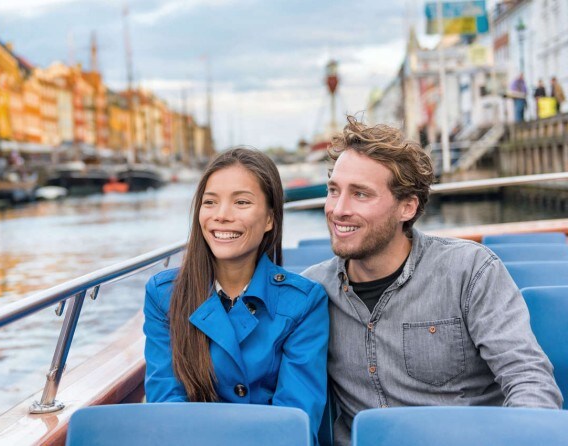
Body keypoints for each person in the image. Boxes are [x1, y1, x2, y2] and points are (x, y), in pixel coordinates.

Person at [303, 116, 563, 446]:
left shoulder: (469, 270)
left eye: (361, 194)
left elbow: (527, 378)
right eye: (333, 191)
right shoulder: (311, 291)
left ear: (407, 207)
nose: (338, 209)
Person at [143, 147, 329, 443]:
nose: (221, 216)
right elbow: (167, 406)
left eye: (241, 202)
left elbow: (296, 419)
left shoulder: (304, 302)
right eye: (210, 202)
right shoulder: (164, 295)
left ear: (269, 219)